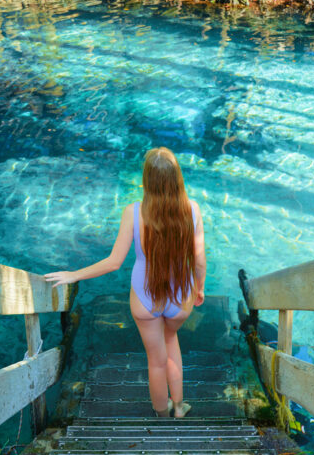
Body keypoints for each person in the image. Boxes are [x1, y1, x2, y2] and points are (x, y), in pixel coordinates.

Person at [45, 147, 206, 418]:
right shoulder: (192, 210)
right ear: (177, 177)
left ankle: (161, 414)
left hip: (145, 298)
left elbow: (114, 262)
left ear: (146, 180)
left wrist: (73, 275)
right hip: (180, 298)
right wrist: (199, 288)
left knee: (156, 362)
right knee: (172, 341)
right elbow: (199, 262)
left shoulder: (133, 212)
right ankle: (179, 408)